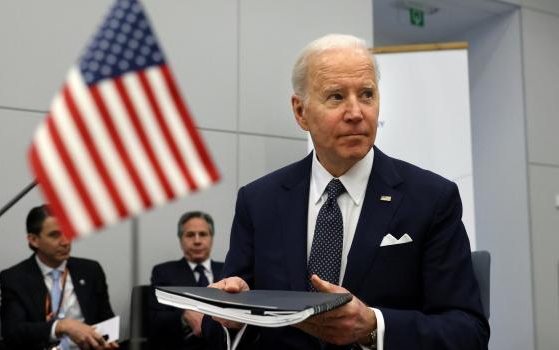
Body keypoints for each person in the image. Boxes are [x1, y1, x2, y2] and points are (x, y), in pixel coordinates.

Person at [193, 34, 490, 349]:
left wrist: (373, 327)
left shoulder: (431, 198)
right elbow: (221, 324)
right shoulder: (259, 201)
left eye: (366, 94)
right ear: (300, 112)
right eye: (336, 96)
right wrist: (234, 318)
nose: (356, 112)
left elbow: (468, 332)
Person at [0, 205, 118, 350]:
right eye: (55, 235)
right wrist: (61, 326)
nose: (65, 242)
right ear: (34, 240)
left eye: (67, 232)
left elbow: (106, 320)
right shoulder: (14, 278)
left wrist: (105, 340)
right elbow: (13, 331)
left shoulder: (91, 270)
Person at [149, 211, 224, 350]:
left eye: (203, 234)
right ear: (180, 239)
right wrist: (184, 317)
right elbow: (154, 318)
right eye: (190, 235)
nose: (197, 241)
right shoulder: (164, 272)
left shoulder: (228, 271)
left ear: (211, 238)